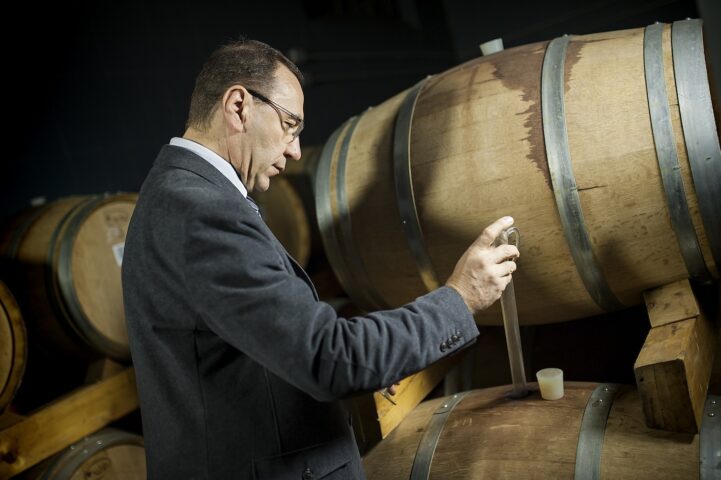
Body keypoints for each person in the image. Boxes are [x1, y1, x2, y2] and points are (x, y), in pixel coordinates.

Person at [122, 38, 519, 480]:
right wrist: (461, 298)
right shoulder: (202, 212)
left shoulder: (179, 194)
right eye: (289, 125)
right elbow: (328, 359)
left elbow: (258, 345)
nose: (295, 150)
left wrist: (372, 355)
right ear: (238, 106)